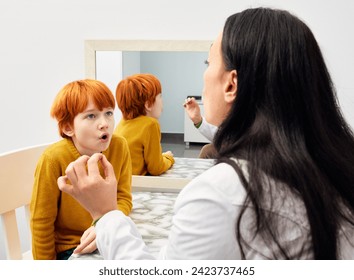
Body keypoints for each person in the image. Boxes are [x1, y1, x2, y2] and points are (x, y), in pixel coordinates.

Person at [58, 8, 354, 259]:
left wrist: (105, 213)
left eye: (208, 62)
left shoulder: (219, 194)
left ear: (231, 84)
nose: (204, 74)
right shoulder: (335, 166)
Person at [30, 79, 133, 259]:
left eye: (109, 113)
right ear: (68, 127)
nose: (105, 123)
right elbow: (41, 222)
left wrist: (102, 224)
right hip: (71, 248)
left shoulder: (120, 146)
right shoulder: (53, 159)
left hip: (107, 235)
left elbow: (123, 197)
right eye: (91, 116)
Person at [114, 73, 175, 175]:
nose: (162, 101)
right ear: (148, 105)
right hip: (136, 185)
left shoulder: (122, 123)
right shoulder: (151, 124)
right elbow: (156, 168)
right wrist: (169, 158)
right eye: (160, 97)